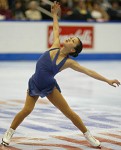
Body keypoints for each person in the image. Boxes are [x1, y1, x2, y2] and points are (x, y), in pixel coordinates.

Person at [1, 1, 120, 148]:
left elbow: (89, 72)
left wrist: (107, 80)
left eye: (72, 41)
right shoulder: (55, 45)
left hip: (50, 87)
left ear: (72, 50)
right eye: (70, 38)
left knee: (68, 112)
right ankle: (9, 133)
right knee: (26, 110)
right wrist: (54, 15)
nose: (69, 39)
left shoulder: (68, 62)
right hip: (34, 83)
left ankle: (88, 136)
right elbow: (56, 28)